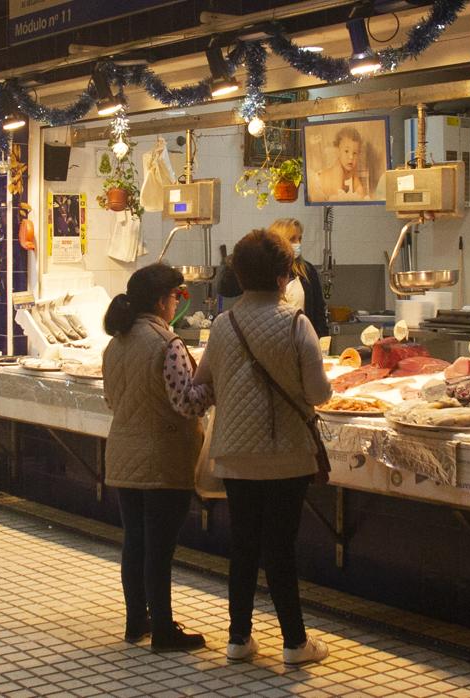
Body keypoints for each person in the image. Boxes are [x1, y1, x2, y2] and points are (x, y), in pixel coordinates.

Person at [195, 230, 333, 667]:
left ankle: (239, 639)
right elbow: (318, 393)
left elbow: (204, 384)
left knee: (243, 546)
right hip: (286, 455)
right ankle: (294, 643)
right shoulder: (296, 323)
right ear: (283, 275)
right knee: (280, 549)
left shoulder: (222, 325)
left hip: (235, 453)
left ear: (238, 274)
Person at [102, 264, 212, 653]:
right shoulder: (168, 345)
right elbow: (187, 403)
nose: (176, 304)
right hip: (163, 457)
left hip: (123, 454)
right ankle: (164, 630)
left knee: (135, 542)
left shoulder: (116, 343)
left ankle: (136, 622)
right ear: (163, 301)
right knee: (160, 548)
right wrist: (212, 387)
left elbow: (112, 400)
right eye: (176, 297)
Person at [216, 219, 329, 338]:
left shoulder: (307, 271)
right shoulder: (262, 270)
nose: (298, 244)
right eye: (292, 239)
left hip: (300, 338)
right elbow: (225, 289)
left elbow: (319, 313)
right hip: (266, 335)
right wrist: (232, 262)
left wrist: (322, 343)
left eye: (299, 239)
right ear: (278, 241)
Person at [315, 126, 370, 201]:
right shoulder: (338, 169)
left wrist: (364, 197)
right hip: (318, 185)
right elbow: (337, 197)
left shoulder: (351, 167)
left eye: (355, 153)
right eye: (346, 151)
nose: (351, 157)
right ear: (338, 151)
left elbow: (359, 188)